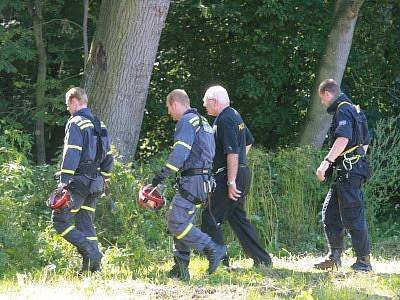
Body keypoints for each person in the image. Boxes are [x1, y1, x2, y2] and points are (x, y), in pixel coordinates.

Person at [150, 89, 226, 281]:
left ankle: (212, 248)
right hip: (203, 181)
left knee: (176, 221)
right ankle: (181, 268)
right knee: (182, 222)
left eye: (169, 108)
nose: (169, 113)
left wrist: (161, 176)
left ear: (175, 103)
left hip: (193, 180)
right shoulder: (204, 122)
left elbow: (180, 153)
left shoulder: (186, 121)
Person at [201, 85, 272, 267]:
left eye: (205, 102)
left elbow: (231, 152)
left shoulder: (224, 119)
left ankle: (220, 262)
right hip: (241, 173)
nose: (204, 106)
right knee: (238, 219)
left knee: (209, 218)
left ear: (214, 101)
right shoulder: (234, 114)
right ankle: (263, 260)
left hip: (229, 177)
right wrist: (240, 166)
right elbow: (248, 141)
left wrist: (231, 179)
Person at [51, 87, 114, 273]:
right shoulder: (99, 124)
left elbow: (72, 152)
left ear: (74, 101)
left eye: (67, 105)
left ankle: (91, 253)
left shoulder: (76, 122)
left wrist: (64, 181)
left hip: (79, 181)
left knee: (59, 220)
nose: (67, 109)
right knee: (85, 221)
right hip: (96, 183)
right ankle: (92, 269)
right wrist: (106, 179)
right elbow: (108, 156)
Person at [314, 79, 372, 272]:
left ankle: (364, 262)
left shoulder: (343, 110)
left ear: (327, 94)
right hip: (349, 169)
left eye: (323, 99)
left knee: (353, 215)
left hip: (349, 170)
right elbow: (365, 142)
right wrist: (357, 160)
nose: (323, 103)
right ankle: (334, 256)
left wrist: (326, 162)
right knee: (329, 212)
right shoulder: (355, 110)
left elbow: (343, 138)